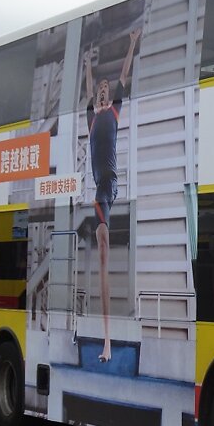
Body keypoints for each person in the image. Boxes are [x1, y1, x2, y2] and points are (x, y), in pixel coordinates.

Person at [82, 29, 141, 362]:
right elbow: (89, 90)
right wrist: (89, 67)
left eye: (107, 91)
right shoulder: (92, 118)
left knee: (102, 241)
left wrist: (131, 43)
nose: (103, 94)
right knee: (102, 253)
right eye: (100, 92)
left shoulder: (115, 113)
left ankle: (106, 340)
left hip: (110, 184)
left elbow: (123, 76)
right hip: (98, 188)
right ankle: (106, 339)